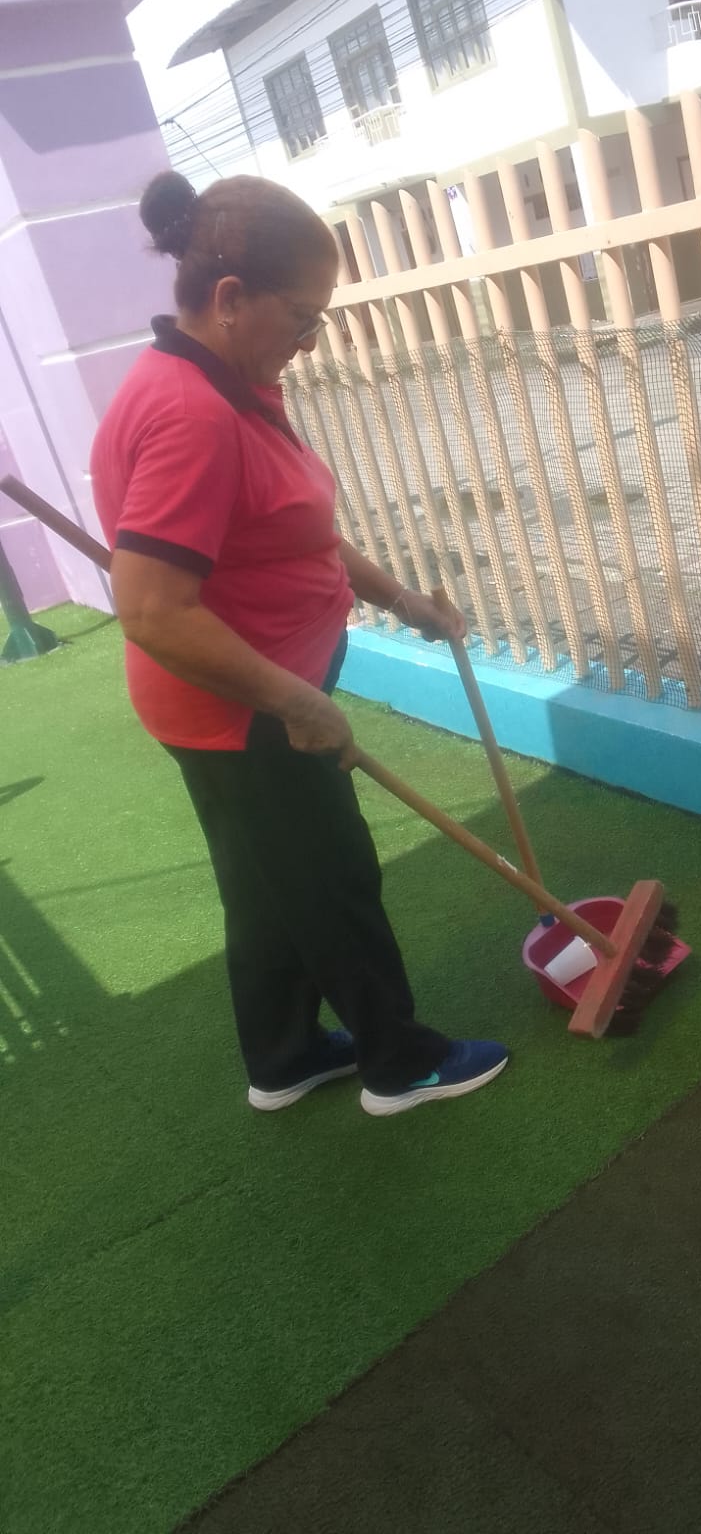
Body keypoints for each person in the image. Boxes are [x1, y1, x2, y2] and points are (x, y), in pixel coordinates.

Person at [91, 170, 509, 1117]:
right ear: (231, 298)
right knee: (331, 879)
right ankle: (399, 1065)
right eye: (303, 317)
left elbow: (290, 527)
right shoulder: (193, 414)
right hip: (243, 711)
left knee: (264, 885)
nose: (312, 340)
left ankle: (284, 1057)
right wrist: (292, 700)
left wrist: (400, 599)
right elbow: (153, 610)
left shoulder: (227, 382)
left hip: (239, 701)